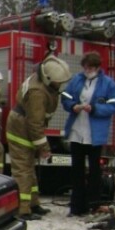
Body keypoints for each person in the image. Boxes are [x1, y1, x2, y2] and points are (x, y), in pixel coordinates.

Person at [5, 55, 72, 220]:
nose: (60, 85)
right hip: (21, 129)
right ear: (48, 79)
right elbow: (35, 123)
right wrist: (43, 147)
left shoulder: (42, 80)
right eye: (58, 82)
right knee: (23, 170)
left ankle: (33, 204)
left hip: (24, 126)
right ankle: (22, 209)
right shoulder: (38, 93)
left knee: (30, 168)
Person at [61, 51, 115, 217]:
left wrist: (95, 108)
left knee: (95, 171)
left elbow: (114, 105)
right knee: (76, 170)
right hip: (76, 131)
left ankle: (94, 204)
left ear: (98, 67)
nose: (88, 70)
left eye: (91, 67)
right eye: (86, 67)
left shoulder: (108, 84)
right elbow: (65, 97)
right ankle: (77, 207)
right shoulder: (77, 80)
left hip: (95, 134)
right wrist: (73, 106)